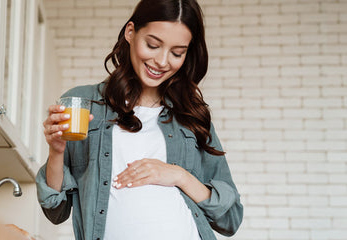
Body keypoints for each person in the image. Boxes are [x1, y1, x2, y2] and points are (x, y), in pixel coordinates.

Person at [36, 0, 243, 239]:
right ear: (130, 32)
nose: (163, 61)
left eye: (177, 53)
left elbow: (230, 218)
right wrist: (56, 151)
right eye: (153, 45)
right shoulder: (84, 104)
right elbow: (56, 212)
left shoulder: (191, 115)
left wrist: (179, 175)